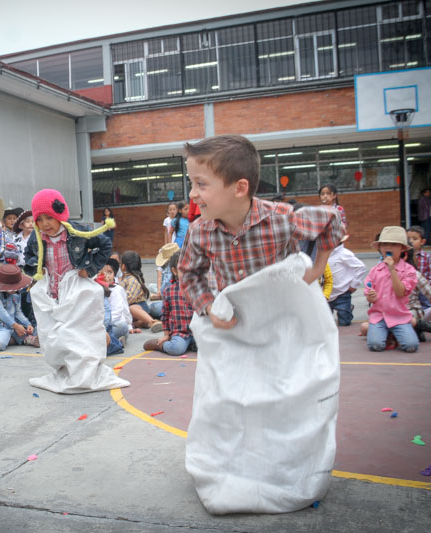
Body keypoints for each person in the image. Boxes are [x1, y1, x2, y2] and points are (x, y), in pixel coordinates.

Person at [177, 135, 343, 514]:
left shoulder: (281, 218)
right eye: (192, 182)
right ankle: (230, 463)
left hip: (280, 327)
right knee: (226, 398)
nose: (193, 193)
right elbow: (189, 273)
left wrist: (316, 269)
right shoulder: (201, 231)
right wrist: (207, 307)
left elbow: (331, 220)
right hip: (233, 327)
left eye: (201, 184)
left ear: (239, 188)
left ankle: (282, 468)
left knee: (279, 398)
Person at [23, 188, 127, 394]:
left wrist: (89, 269)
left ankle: (84, 372)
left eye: (50, 218)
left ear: (60, 214)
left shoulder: (77, 232)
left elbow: (105, 244)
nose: (45, 224)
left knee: (77, 332)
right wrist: (37, 268)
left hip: (75, 289)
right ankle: (65, 369)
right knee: (54, 334)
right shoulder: (37, 238)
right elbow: (28, 257)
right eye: (40, 219)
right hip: (53, 291)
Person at [364, 226, 420, 353]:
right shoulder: (375, 270)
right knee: (375, 346)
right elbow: (368, 290)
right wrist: (370, 297)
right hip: (379, 316)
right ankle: (384, 332)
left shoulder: (409, 270)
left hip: (399, 316)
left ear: (402, 248)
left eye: (394, 244)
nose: (388, 248)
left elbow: (400, 292)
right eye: (384, 244)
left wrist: (392, 270)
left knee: (411, 346)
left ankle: (394, 333)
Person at [143, 251, 195, 355]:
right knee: (176, 349)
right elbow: (165, 315)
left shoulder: (197, 289)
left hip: (196, 332)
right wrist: (166, 335)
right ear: (174, 271)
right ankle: (161, 345)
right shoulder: (169, 291)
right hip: (180, 333)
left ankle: (191, 345)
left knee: (209, 347)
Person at [327, 236, 366, 326]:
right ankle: (346, 308)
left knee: (344, 322)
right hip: (326, 292)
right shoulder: (322, 253)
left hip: (342, 292)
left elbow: (360, 267)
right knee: (326, 321)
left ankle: (348, 310)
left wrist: (354, 285)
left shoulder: (345, 254)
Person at [120, 250, 162, 331]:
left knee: (132, 308)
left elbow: (129, 298)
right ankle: (140, 323)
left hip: (139, 308)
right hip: (127, 310)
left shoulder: (132, 280)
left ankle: (152, 322)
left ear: (123, 266)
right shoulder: (125, 278)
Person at [101, 258, 133, 340]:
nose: (106, 275)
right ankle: (114, 341)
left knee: (122, 326)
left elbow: (122, 310)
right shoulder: (96, 288)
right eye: (103, 272)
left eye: (110, 272)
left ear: (114, 275)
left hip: (114, 324)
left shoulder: (117, 289)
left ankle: (111, 340)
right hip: (99, 326)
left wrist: (129, 325)